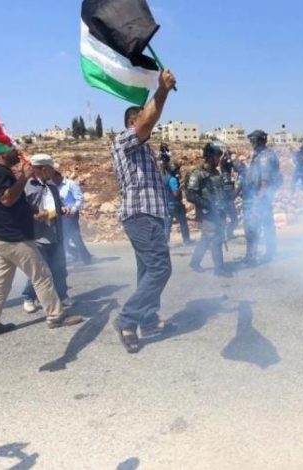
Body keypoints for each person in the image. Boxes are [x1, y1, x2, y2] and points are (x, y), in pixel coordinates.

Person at [0, 150, 83, 339]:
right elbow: (7, 199)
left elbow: (14, 202)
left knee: (1, 280)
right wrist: (24, 177)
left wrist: (34, 210)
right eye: (12, 150)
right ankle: (56, 316)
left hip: (0, 234)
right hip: (13, 236)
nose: (17, 153)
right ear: (1, 153)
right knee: (42, 275)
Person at [110, 69, 178, 353]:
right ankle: (127, 320)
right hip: (140, 215)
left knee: (148, 270)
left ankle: (147, 320)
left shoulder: (145, 150)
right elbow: (148, 120)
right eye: (144, 118)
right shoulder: (124, 140)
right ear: (132, 122)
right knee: (161, 269)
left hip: (151, 216)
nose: (152, 123)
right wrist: (162, 90)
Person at [21, 154, 70, 313]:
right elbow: (20, 210)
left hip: (56, 234)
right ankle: (29, 298)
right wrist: (33, 215)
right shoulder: (26, 186)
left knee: (60, 268)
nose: (54, 172)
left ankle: (62, 295)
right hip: (37, 236)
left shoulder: (52, 186)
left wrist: (62, 208)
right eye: (51, 169)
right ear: (43, 169)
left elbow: (57, 205)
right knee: (39, 271)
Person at [187, 142, 231, 277]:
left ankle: (194, 262)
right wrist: (207, 205)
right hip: (207, 212)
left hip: (218, 211)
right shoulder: (198, 173)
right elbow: (190, 195)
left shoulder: (216, 172)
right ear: (210, 157)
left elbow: (221, 191)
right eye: (217, 156)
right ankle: (219, 269)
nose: (219, 159)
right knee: (215, 238)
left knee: (206, 238)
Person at [245, 130, 282, 264]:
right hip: (264, 197)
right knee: (267, 225)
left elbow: (264, 182)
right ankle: (270, 253)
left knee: (252, 227)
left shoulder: (264, 157)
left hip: (260, 197)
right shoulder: (263, 155)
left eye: (253, 141)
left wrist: (257, 202)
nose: (252, 144)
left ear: (259, 141)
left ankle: (251, 257)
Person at [54, 169, 93, 265]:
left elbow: (80, 198)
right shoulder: (53, 186)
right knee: (62, 239)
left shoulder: (70, 184)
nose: (53, 181)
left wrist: (73, 210)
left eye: (54, 178)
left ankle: (86, 258)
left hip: (71, 215)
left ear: (58, 176)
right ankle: (76, 254)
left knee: (75, 236)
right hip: (59, 215)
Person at [163, 160, 192, 245]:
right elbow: (175, 193)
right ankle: (186, 241)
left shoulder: (163, 178)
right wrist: (181, 186)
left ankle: (165, 243)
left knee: (167, 225)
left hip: (166, 204)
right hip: (175, 204)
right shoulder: (172, 179)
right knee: (183, 222)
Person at [219, 149, 240, 239]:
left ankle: (228, 233)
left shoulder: (228, 175)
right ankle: (226, 234)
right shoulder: (224, 176)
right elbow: (221, 163)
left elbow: (234, 167)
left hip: (228, 200)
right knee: (231, 218)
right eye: (229, 155)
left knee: (233, 219)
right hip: (226, 201)